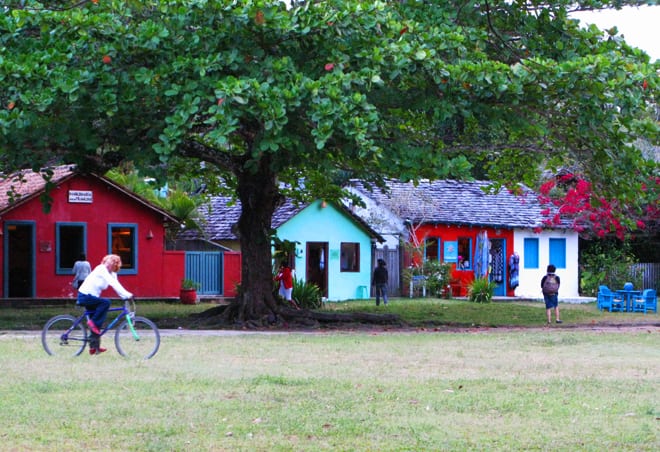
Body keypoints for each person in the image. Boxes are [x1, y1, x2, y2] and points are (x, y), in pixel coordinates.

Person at [77, 254, 133, 355]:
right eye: (107, 262)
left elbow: (116, 285)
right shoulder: (101, 269)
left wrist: (124, 296)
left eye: (111, 263)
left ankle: (94, 348)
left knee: (97, 322)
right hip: (85, 296)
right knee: (105, 303)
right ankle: (92, 324)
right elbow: (112, 283)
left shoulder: (112, 274)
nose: (108, 264)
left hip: (93, 298)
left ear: (115, 266)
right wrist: (127, 294)